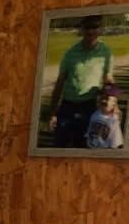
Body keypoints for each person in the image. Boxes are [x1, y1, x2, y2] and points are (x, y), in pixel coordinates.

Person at [48, 16, 113, 147]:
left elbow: (109, 79)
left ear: (100, 29)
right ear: (82, 29)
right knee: (60, 144)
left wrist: (114, 104)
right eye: (87, 27)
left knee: (83, 145)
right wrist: (53, 113)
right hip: (67, 106)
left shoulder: (106, 52)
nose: (90, 31)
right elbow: (59, 83)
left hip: (89, 107)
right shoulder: (70, 53)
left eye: (94, 27)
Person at [85, 83, 124, 149]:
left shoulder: (114, 120)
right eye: (101, 97)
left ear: (114, 102)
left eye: (107, 98)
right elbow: (89, 134)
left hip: (104, 152)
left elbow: (115, 144)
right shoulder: (95, 114)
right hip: (89, 149)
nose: (103, 101)